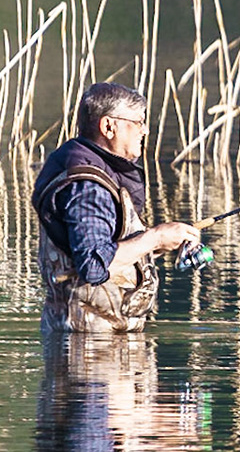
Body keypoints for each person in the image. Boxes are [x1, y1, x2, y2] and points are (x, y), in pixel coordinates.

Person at [32, 81, 199, 332]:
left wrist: (161, 244)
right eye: (138, 123)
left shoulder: (92, 171)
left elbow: (106, 251)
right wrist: (154, 238)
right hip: (92, 348)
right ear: (109, 126)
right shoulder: (89, 187)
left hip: (94, 341)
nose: (144, 131)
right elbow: (94, 265)